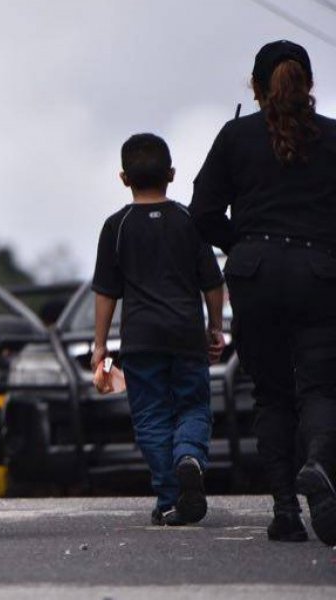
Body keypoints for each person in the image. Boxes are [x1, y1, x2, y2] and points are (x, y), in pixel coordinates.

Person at [190, 40, 336, 545]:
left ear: (254, 87)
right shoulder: (333, 138)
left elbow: (203, 212)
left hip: (255, 277)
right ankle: (319, 463)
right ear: (310, 84)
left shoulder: (235, 137)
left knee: (272, 396)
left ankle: (284, 512)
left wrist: (245, 247)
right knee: (320, 388)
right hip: (319, 276)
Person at [91, 133, 226, 527]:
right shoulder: (188, 221)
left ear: (123, 178)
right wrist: (214, 328)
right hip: (186, 336)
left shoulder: (116, 226)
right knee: (194, 406)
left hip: (141, 340)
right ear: (171, 174)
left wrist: (100, 346)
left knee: (151, 416)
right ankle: (188, 456)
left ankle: (169, 499)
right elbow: (212, 282)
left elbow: (105, 292)